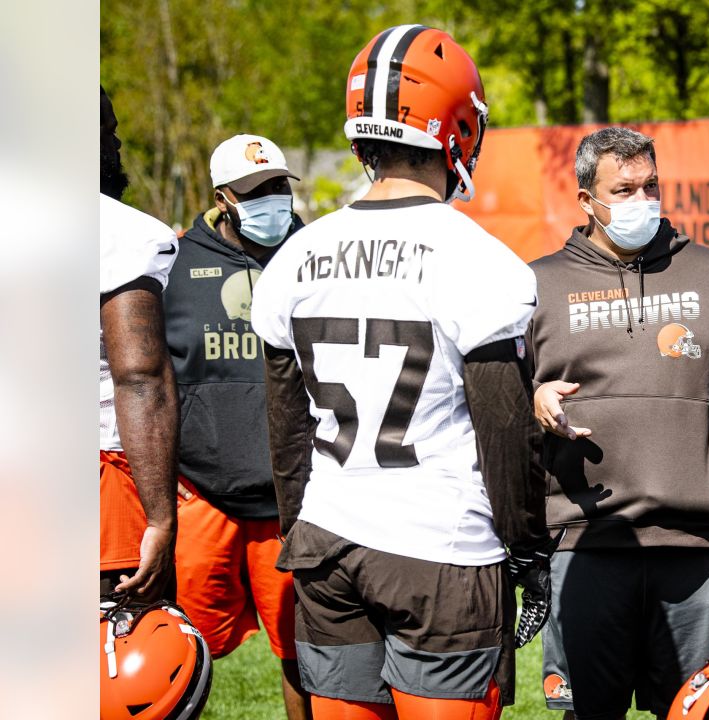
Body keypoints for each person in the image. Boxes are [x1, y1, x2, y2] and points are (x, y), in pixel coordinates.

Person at [250, 24, 553, 720]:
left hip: (327, 543)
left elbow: (286, 434)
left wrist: (302, 533)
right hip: (440, 552)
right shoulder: (479, 259)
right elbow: (505, 431)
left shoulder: (295, 258)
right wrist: (529, 550)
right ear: (457, 130)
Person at [526, 126, 709, 720]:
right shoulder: (537, 285)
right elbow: (501, 398)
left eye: (650, 186)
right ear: (587, 200)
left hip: (696, 549)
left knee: (704, 714)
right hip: (585, 545)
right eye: (623, 189)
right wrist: (534, 398)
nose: (642, 200)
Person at [164, 133, 308, 718]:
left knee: (305, 656)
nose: (271, 200)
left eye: (278, 185)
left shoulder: (313, 252)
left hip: (292, 499)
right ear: (223, 197)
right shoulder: (173, 263)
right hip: (203, 495)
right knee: (178, 651)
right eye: (254, 191)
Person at [99, 85, 180, 603]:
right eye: (110, 133)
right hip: (99, 477)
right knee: (118, 659)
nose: (119, 146)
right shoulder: (121, 234)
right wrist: (160, 516)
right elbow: (139, 377)